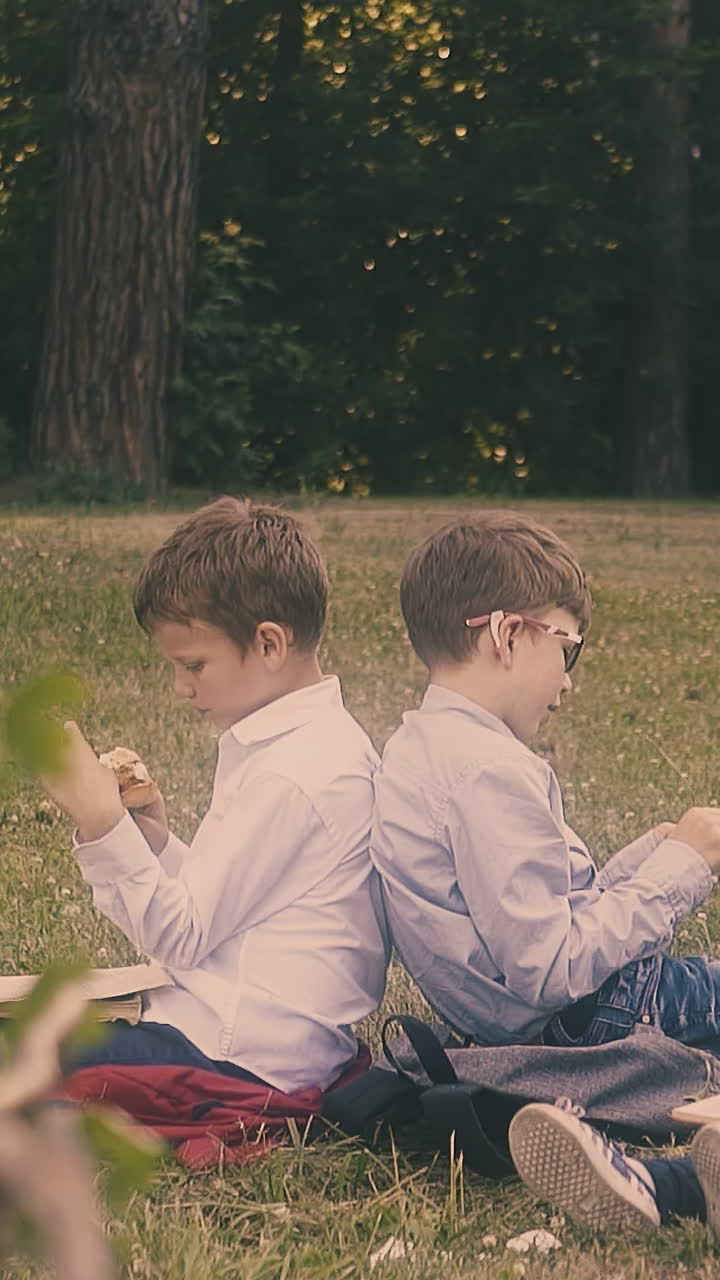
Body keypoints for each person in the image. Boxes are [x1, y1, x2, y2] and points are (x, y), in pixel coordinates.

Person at [370, 509, 720, 1232]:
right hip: (598, 1015)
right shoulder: (487, 771)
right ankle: (672, 1180)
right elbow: (550, 966)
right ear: (507, 634)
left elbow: (550, 910)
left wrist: (648, 856)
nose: (567, 682)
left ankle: (668, 1184)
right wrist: (680, 872)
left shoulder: (419, 750)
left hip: (533, 1025)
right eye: (570, 650)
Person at [43, 497, 388, 1095]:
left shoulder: (299, 772)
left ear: (270, 645)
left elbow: (181, 935)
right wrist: (153, 843)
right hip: (233, 1031)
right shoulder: (296, 745)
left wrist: (105, 827)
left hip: (238, 1054)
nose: (181, 688)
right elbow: (233, 908)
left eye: (194, 665)